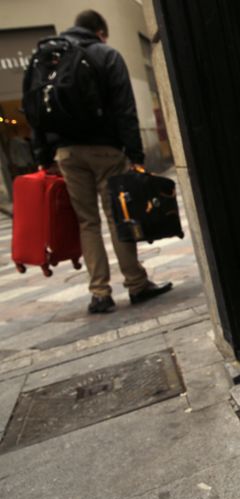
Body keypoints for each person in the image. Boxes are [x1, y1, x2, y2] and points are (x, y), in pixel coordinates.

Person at [30, 10, 172, 314]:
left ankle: (99, 293)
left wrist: (43, 157)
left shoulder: (49, 58)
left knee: (87, 222)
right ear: (100, 32)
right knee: (118, 217)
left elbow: (36, 113)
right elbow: (124, 107)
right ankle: (136, 283)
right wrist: (134, 154)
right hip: (106, 150)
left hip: (66, 154)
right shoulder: (105, 54)